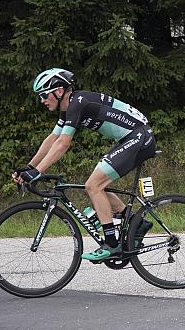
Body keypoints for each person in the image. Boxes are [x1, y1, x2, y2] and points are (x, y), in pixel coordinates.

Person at [13, 68, 156, 261]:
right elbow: (53, 138)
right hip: (130, 138)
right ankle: (135, 223)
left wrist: (39, 171)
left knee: (93, 185)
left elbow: (63, 143)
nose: (42, 100)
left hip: (139, 136)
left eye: (44, 95)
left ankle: (112, 244)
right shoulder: (68, 108)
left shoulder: (78, 103)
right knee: (96, 184)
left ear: (59, 91)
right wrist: (30, 167)